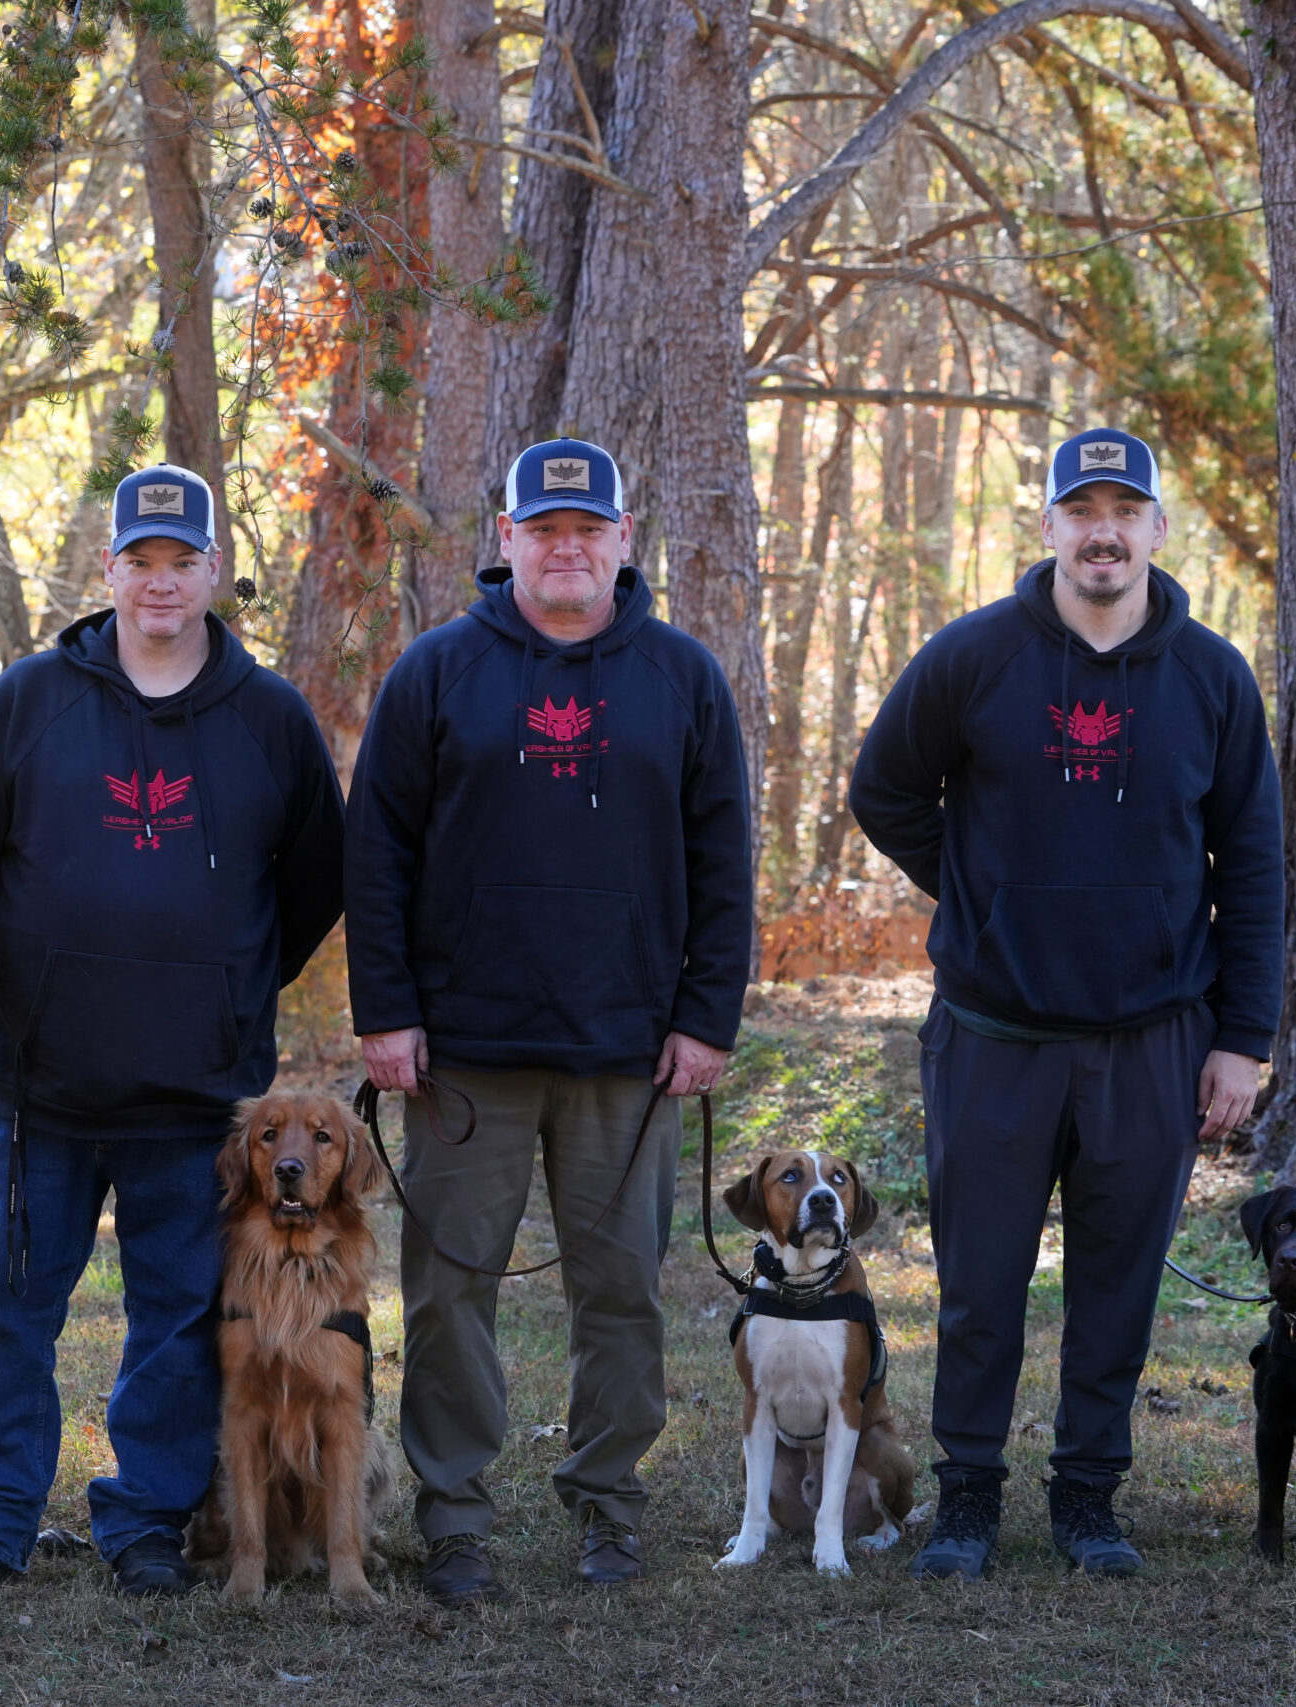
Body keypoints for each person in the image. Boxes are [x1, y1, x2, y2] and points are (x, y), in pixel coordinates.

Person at [848, 427, 1284, 1580]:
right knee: (979, 1286)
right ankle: (967, 1501)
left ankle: (1089, 1498)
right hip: (995, 1035)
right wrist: (980, 896)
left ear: (1153, 527)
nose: (1102, 530)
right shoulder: (975, 657)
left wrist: (1241, 1040)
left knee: (1115, 1288)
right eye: (1080, 508)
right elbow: (882, 788)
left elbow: (1252, 864)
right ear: (1046, 526)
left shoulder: (1210, 676)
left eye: (1123, 509)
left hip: (1152, 1037)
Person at [0, 464, 345, 1597]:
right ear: (106, 572)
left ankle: (147, 1518)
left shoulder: (270, 720)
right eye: (138, 562)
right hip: (38, 1090)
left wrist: (230, 988)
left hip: (196, 1100)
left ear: (215, 573)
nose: (160, 583)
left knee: (178, 1321)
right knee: (3, 1315)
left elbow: (310, 884)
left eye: (182, 562)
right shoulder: (28, 701)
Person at [345, 437, 754, 1602]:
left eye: (589, 529)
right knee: (448, 1288)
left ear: (626, 541)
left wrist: (704, 1015)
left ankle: (608, 1506)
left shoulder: (681, 677)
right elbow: (376, 856)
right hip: (463, 1049)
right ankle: (455, 1514)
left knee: (620, 1288)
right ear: (507, 539)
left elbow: (723, 859)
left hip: (628, 1047)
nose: (566, 547)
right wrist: (388, 1013)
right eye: (543, 528)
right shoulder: (436, 672)